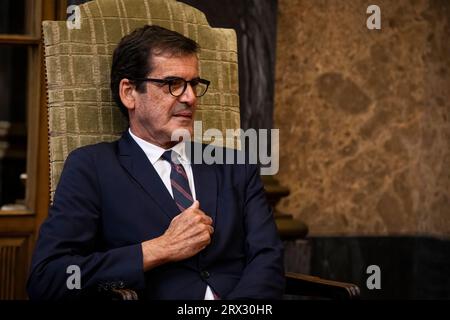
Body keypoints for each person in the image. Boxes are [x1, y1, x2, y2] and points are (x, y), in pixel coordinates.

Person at [27, 25, 284, 300]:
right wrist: (159, 249)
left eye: (194, 84)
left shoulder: (235, 166)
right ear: (129, 93)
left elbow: (268, 259)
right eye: (172, 84)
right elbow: (49, 279)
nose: (190, 98)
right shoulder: (92, 167)